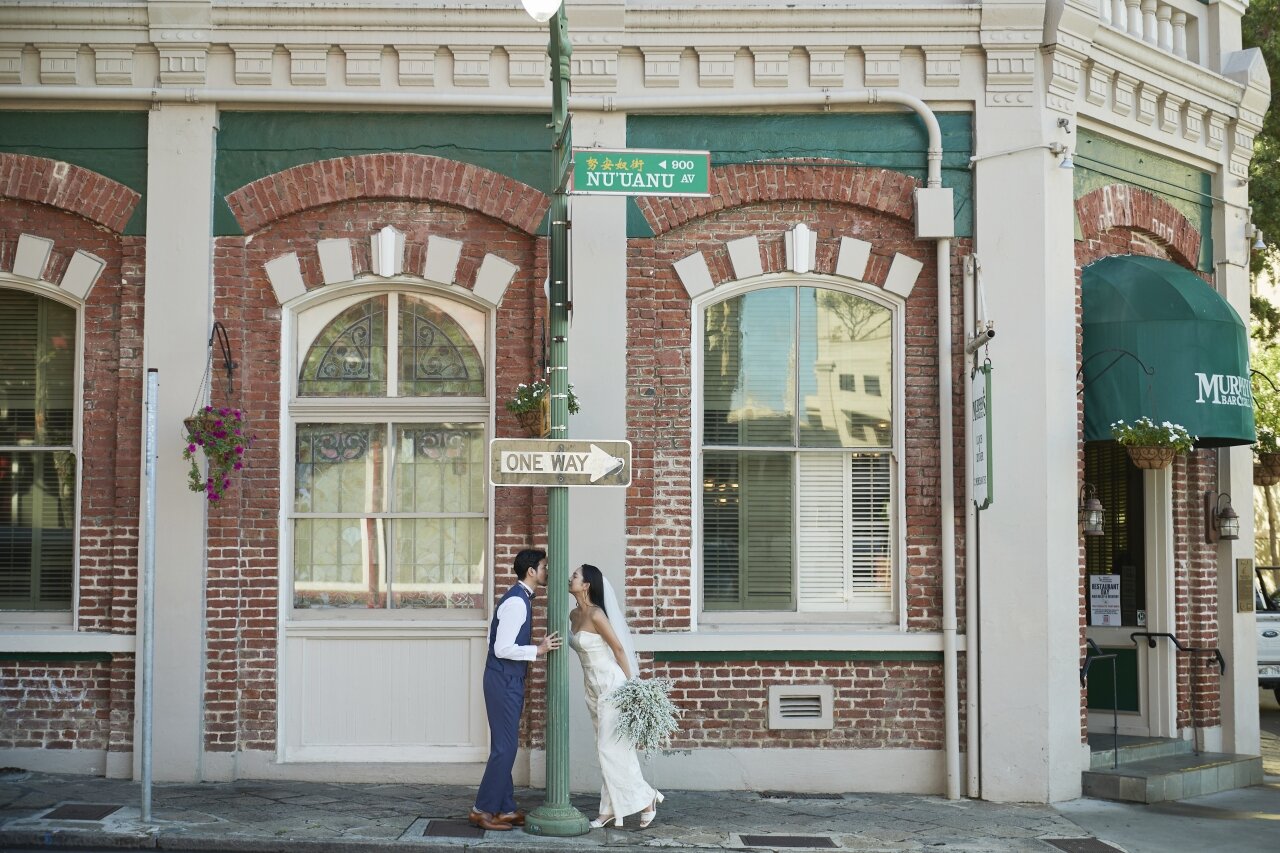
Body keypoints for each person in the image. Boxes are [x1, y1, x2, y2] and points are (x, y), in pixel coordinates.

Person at [470, 548, 560, 832]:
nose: (547, 571)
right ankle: (482, 810)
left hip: (505, 678)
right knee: (505, 748)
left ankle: (505, 808)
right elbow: (501, 648)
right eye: (544, 567)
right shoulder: (517, 602)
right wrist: (538, 650)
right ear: (531, 571)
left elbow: (493, 639)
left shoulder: (518, 598)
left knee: (504, 745)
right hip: (503, 680)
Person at [568, 563, 664, 828]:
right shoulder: (573, 615)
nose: (570, 578)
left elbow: (619, 650)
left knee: (609, 749)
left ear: (586, 584)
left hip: (612, 686)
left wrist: (634, 688)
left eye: (575, 575)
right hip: (592, 688)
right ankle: (609, 809)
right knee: (608, 751)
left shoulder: (597, 614)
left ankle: (646, 798)